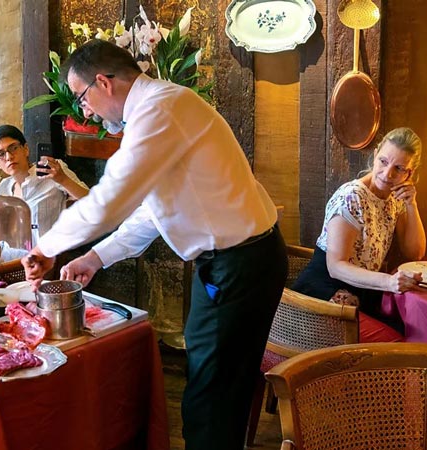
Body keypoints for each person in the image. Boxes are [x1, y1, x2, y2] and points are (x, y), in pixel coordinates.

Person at [20, 39, 287, 450]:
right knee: (215, 390)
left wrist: (46, 248)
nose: (84, 111)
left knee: (212, 397)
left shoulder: (160, 109)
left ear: (103, 83)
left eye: (81, 98)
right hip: (236, 262)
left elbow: (111, 199)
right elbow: (150, 212)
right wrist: (95, 256)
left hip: (239, 265)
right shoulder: (160, 109)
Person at [293, 127, 427, 342]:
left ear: (409, 173)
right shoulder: (352, 196)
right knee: (397, 344)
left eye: (399, 168)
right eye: (383, 161)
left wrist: (412, 205)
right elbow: (336, 266)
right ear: (375, 156)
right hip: (324, 292)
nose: (388, 173)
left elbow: (416, 252)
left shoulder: (395, 199)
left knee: (416, 333)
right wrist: (389, 282)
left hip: (364, 294)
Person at [0, 124, 88, 264]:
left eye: (13, 148)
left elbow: (91, 201)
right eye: (1, 154)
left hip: (41, 263)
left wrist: (62, 179)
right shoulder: (3, 189)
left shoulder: (52, 172)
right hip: (6, 264)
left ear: (26, 149)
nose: (9, 157)